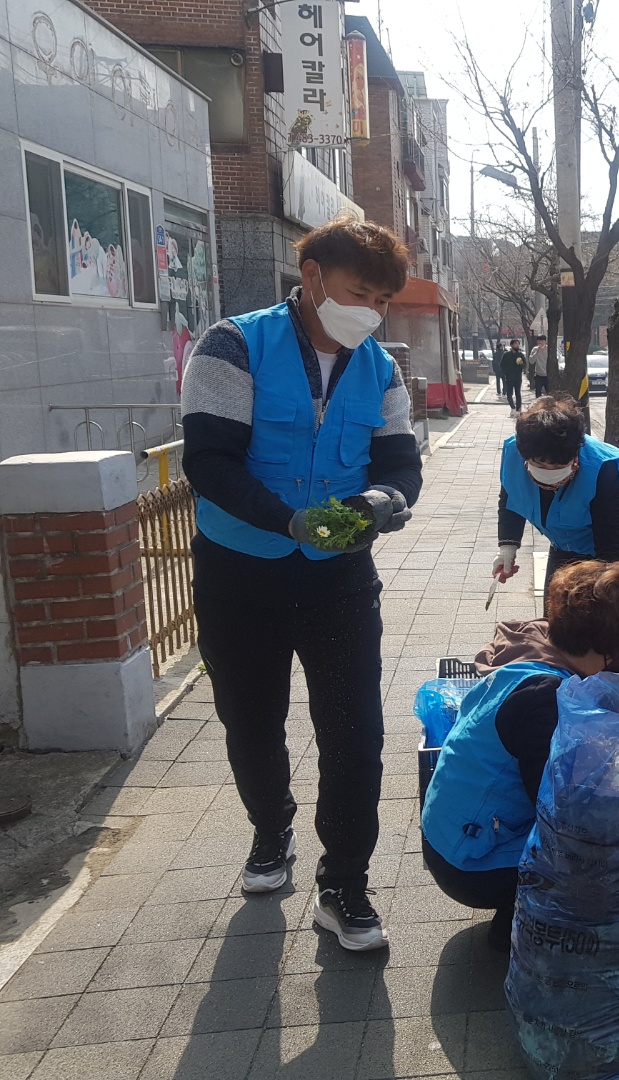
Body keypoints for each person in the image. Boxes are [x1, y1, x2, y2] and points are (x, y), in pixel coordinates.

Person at [181, 215, 422, 952]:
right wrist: (286, 521)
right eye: (360, 293)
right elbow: (209, 462)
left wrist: (380, 505)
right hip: (239, 574)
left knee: (357, 733)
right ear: (312, 276)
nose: (372, 312)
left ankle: (344, 882)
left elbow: (401, 465)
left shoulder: (380, 367)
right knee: (251, 724)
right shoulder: (233, 345)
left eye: (384, 299)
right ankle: (271, 825)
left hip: (339, 579)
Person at [420, 560, 619, 949]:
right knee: (607, 857)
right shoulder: (543, 704)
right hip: (467, 864)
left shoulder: (528, 659)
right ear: (610, 650)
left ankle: (519, 908)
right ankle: (522, 928)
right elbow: (559, 813)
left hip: (447, 835)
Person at [494, 396, 619, 595]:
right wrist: (508, 547)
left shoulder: (601, 468)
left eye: (558, 466)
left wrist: (604, 583)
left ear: (575, 454)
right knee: (555, 609)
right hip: (564, 539)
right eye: (540, 465)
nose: (548, 471)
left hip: (617, 535)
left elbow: (610, 542)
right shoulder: (515, 452)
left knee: (599, 608)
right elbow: (511, 497)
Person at [497, 338, 526, 415]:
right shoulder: (506, 355)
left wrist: (521, 363)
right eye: (516, 344)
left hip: (517, 378)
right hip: (509, 378)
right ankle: (512, 408)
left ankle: (518, 410)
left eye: (518, 344)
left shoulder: (520, 355)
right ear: (511, 345)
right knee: (509, 394)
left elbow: (524, 366)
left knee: (518, 394)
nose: (517, 345)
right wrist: (505, 373)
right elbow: (501, 365)